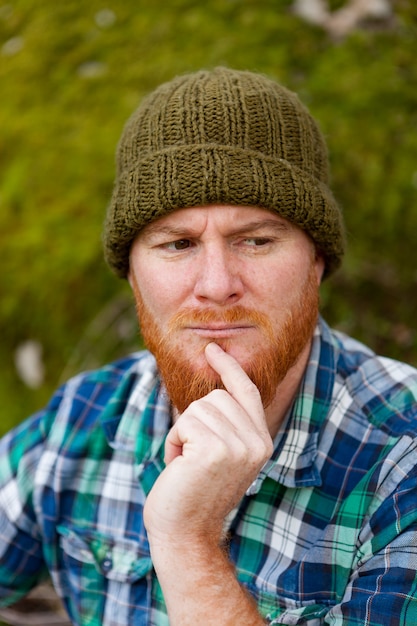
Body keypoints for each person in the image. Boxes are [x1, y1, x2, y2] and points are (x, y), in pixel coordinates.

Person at [0, 67, 416, 626]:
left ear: (316, 260)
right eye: (178, 244)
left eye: (257, 240)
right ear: (131, 275)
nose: (217, 284)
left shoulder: (403, 456)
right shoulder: (85, 417)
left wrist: (188, 541)